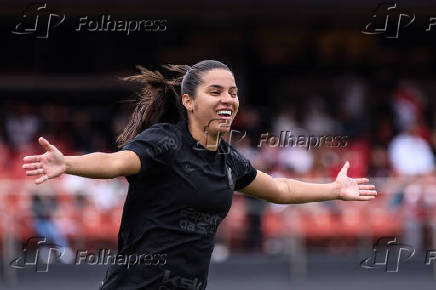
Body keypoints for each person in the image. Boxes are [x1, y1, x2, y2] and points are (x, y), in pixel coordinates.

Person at [22, 60, 377, 290]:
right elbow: (116, 163)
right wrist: (68, 163)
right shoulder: (165, 142)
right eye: (216, 91)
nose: (228, 99)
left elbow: (280, 188)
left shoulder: (229, 161)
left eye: (233, 92)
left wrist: (332, 189)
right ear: (189, 102)